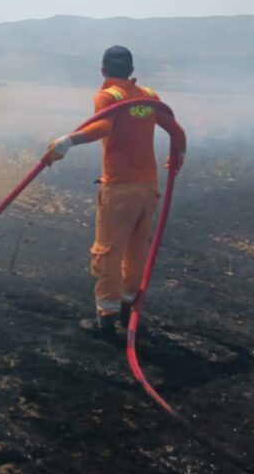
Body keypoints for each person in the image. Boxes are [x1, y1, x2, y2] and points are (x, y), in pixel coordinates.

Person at [43, 45, 187, 338]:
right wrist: (178, 157)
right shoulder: (148, 95)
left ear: (103, 71)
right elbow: (176, 130)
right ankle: (127, 307)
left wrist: (68, 142)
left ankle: (106, 317)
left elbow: (103, 127)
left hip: (119, 188)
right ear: (132, 70)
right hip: (148, 188)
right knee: (137, 249)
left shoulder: (108, 96)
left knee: (108, 250)